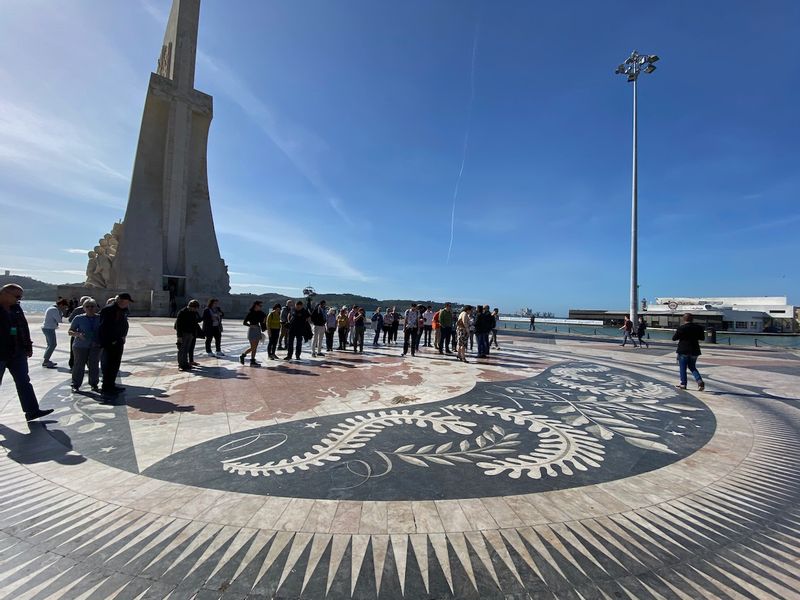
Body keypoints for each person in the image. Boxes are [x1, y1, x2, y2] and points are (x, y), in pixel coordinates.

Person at [0, 284, 53, 421]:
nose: (19, 300)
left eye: (20, 298)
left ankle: (32, 411)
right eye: (17, 297)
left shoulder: (16, 308)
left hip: (18, 352)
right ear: (5, 293)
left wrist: (28, 346)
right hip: (1, 352)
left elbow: (23, 326)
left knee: (24, 381)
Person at [98, 292, 133, 395]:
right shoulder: (108, 310)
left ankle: (111, 384)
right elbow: (104, 328)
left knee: (115, 364)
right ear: (120, 301)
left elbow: (123, 325)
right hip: (110, 343)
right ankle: (106, 386)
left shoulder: (122, 310)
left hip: (118, 342)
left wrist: (122, 336)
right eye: (126, 302)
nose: (127, 304)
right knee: (109, 365)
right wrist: (111, 340)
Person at [69, 298, 101, 391]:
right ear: (83, 308)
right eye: (87, 306)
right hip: (80, 346)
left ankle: (94, 384)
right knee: (79, 365)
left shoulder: (99, 318)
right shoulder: (79, 318)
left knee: (94, 365)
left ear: (96, 307)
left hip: (95, 345)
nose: (90, 308)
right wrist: (78, 334)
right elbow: (70, 331)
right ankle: (76, 384)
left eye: (92, 306)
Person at [672, 313, 705, 391]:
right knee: (692, 366)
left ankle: (683, 384)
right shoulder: (699, 328)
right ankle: (699, 381)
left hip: (683, 350)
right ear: (692, 319)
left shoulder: (681, 328)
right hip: (695, 350)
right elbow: (702, 338)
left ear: (684, 319)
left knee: (683, 368)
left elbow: (674, 338)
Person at [174, 299, 201, 371]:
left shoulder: (193, 312)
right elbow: (178, 325)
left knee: (186, 349)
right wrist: (179, 336)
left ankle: (185, 364)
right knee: (181, 349)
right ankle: (181, 365)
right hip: (183, 333)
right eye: (195, 308)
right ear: (191, 306)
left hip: (190, 333)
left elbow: (196, 322)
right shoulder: (182, 312)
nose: (196, 310)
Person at [41, 298, 68, 368]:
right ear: (61, 305)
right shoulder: (55, 310)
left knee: (50, 345)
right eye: (64, 307)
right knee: (53, 344)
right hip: (49, 328)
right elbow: (59, 320)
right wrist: (62, 313)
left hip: (47, 327)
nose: (64, 308)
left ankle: (46, 360)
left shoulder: (52, 308)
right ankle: (46, 361)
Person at [67, 295, 91, 368]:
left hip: (87, 335)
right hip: (77, 334)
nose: (89, 307)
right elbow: (70, 320)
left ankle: (75, 364)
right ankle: (74, 364)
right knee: (75, 351)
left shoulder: (77, 310)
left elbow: (70, 319)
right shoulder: (77, 310)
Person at [241, 301, 266, 366]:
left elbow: (265, 319)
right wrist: (250, 325)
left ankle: (252, 361)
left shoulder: (261, 313)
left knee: (255, 347)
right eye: (260, 306)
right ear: (256, 305)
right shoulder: (250, 313)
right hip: (252, 330)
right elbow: (244, 322)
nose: (261, 307)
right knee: (253, 347)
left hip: (258, 330)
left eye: (261, 306)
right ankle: (243, 355)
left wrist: (264, 322)